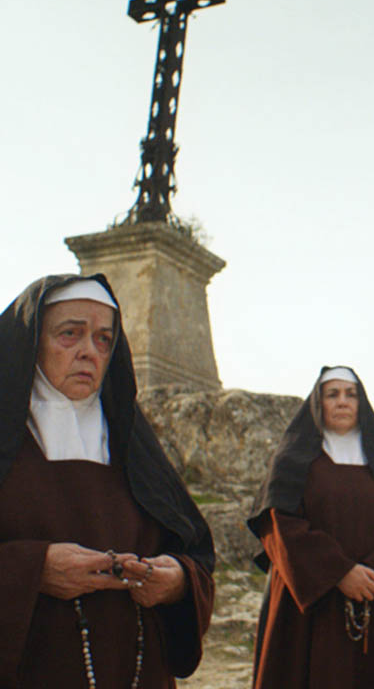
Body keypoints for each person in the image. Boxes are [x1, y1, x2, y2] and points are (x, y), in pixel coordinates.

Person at [0, 273, 215, 687]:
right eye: (70, 334)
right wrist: (32, 570)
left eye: (103, 339)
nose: (89, 352)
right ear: (32, 340)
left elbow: (195, 553)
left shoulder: (132, 440)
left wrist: (176, 581)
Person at [248, 365, 374, 689]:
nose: (342, 402)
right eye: (332, 394)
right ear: (317, 403)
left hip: (371, 603)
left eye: (351, 395)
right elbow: (279, 527)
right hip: (304, 610)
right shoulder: (292, 461)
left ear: (361, 403)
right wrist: (339, 572)